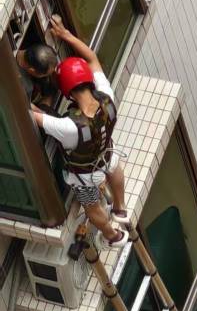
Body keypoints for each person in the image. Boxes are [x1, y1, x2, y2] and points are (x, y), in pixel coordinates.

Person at [30, 16, 129, 247]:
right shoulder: (107, 96)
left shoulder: (69, 127)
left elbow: (30, 114)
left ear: (68, 93)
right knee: (114, 168)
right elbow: (92, 58)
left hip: (86, 175)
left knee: (91, 205)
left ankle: (112, 236)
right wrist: (65, 34)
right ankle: (120, 208)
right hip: (107, 155)